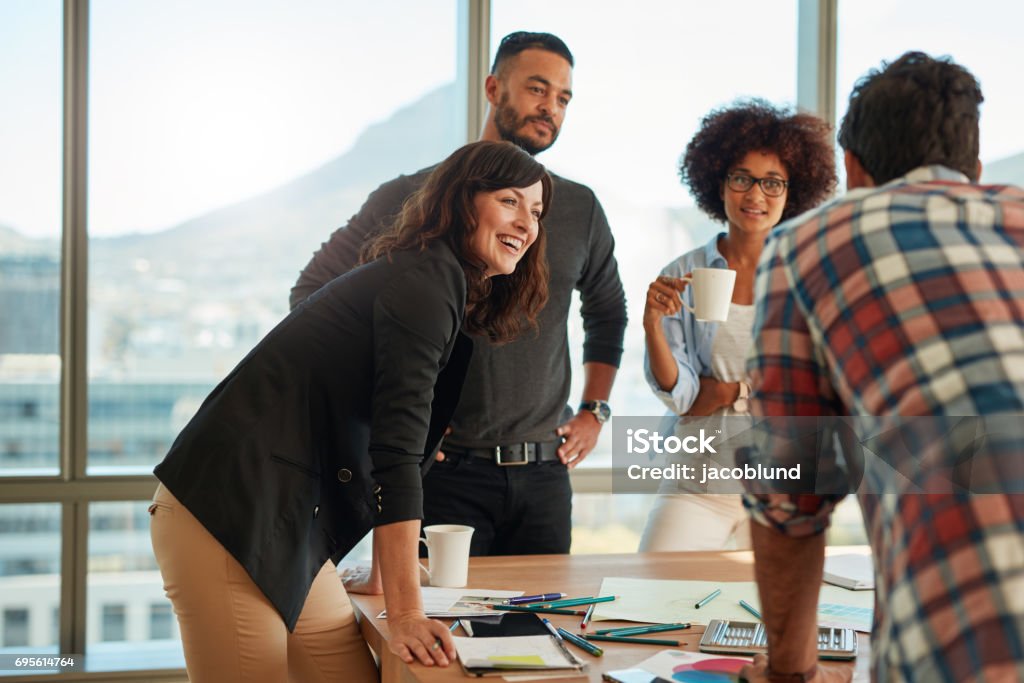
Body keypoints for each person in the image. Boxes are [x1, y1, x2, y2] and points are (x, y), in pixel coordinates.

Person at [149, 140, 551, 682]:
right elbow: (396, 454)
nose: (526, 223)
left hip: (283, 527)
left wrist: (390, 578)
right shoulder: (425, 285)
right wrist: (407, 612)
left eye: (536, 211)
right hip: (229, 517)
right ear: (463, 201)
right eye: (509, 201)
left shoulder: (435, 281)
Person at [739, 52, 1024, 682]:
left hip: (971, 647)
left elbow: (791, 493)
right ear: (973, 171)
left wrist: (787, 672)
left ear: (854, 170)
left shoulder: (808, 244)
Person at [290, 31, 627, 558]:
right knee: (446, 634)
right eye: (538, 89)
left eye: (563, 98)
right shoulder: (409, 196)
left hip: (545, 474)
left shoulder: (580, 207)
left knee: (542, 637)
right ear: (493, 88)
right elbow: (312, 295)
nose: (551, 108)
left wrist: (595, 411)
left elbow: (608, 313)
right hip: (442, 473)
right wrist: (380, 414)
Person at [638, 100, 836, 552]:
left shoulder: (806, 275)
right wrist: (653, 327)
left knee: (768, 619)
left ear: (793, 192)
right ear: (718, 183)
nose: (755, 195)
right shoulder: (685, 271)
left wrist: (728, 392)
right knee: (647, 593)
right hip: (697, 486)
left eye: (772, 183)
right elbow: (684, 396)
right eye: (742, 178)